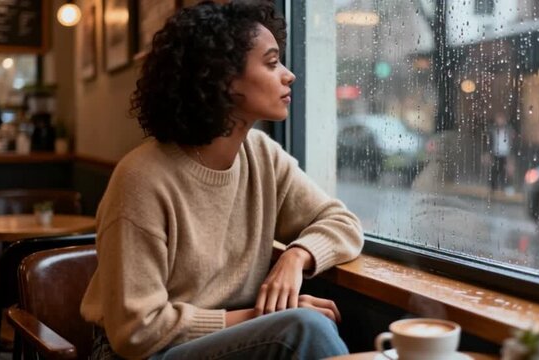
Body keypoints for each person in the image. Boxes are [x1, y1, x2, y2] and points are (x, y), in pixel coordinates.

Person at [80, 1, 364, 359]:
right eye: (273, 63)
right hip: (140, 354)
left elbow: (343, 223)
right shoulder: (141, 178)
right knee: (302, 328)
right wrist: (266, 316)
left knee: (303, 326)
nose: (289, 75)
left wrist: (297, 255)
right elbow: (136, 331)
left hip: (226, 341)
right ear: (223, 79)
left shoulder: (261, 153)